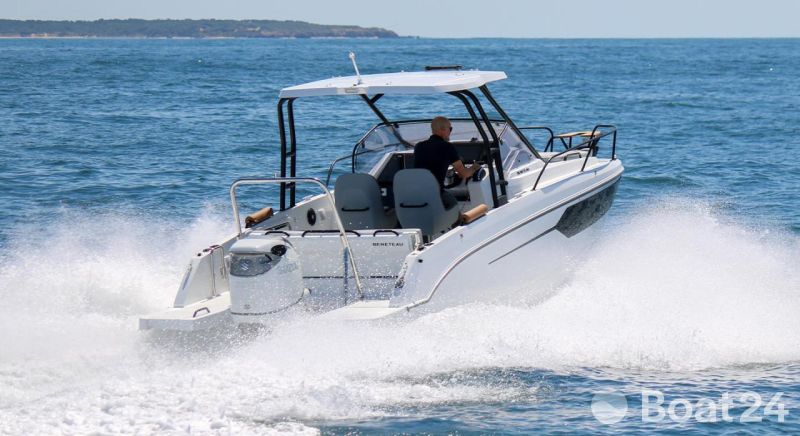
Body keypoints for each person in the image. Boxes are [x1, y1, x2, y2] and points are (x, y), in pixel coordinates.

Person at [413, 116, 477, 209]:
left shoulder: (418, 146)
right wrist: (475, 167)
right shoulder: (447, 147)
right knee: (456, 209)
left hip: (416, 194)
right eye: (450, 129)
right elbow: (464, 174)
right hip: (436, 194)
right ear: (443, 129)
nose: (450, 132)